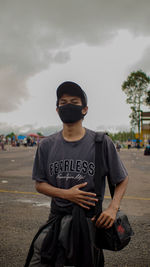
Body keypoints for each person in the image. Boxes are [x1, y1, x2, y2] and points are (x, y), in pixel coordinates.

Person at [25, 81, 128, 267]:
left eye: (74, 101)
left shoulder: (101, 143)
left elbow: (122, 178)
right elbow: (39, 183)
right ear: (57, 110)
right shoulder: (46, 145)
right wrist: (66, 194)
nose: (68, 106)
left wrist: (113, 208)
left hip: (89, 225)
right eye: (63, 103)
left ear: (85, 109)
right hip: (56, 221)